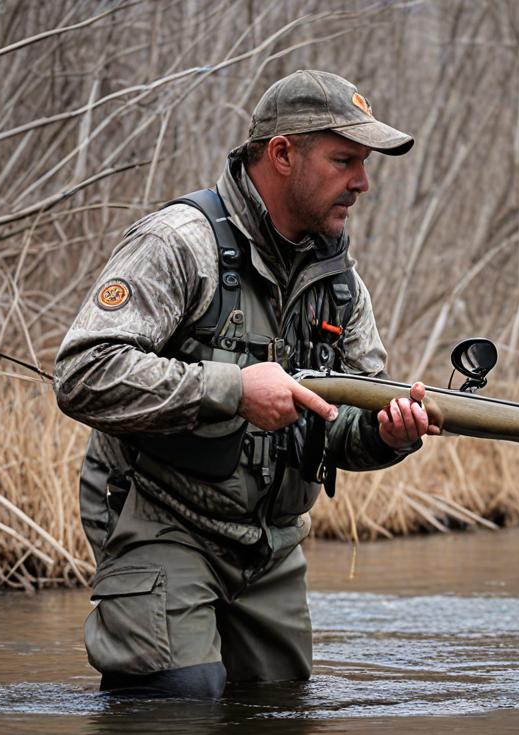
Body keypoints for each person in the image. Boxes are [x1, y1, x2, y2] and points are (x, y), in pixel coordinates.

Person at [54, 70, 436, 699]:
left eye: (364, 165)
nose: (363, 183)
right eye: (345, 161)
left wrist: (388, 436)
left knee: (276, 723)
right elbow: (83, 374)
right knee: (181, 703)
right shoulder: (179, 242)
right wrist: (231, 388)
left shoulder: (341, 282)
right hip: (160, 518)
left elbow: (341, 428)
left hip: (271, 546)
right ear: (283, 153)